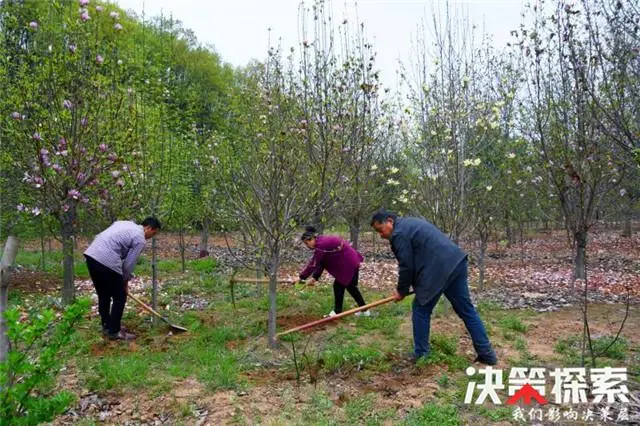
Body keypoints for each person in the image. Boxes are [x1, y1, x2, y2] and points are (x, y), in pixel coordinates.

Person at [370, 210, 497, 365]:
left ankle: (421, 354)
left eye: (380, 230)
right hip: (456, 262)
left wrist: (401, 291)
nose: (381, 235)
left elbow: (407, 266)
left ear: (389, 221)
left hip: (438, 269)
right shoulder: (410, 223)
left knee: (420, 309)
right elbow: (418, 258)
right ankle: (487, 354)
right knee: (466, 310)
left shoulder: (399, 234)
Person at [84, 217, 161, 340]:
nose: (152, 236)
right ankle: (114, 331)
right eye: (154, 233)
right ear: (149, 228)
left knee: (104, 294)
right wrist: (124, 281)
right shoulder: (140, 239)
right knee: (120, 296)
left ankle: (107, 325)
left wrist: (122, 280)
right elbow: (129, 264)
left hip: (92, 256)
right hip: (106, 259)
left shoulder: (125, 223)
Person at [296, 226, 369, 317]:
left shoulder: (321, 245)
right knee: (345, 286)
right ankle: (361, 310)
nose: (307, 246)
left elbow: (313, 264)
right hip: (349, 261)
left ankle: (356, 311)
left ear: (312, 239)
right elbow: (322, 262)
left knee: (346, 286)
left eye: (307, 243)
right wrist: (315, 277)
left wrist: (301, 277)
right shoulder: (320, 242)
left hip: (349, 262)